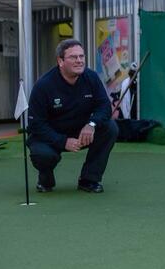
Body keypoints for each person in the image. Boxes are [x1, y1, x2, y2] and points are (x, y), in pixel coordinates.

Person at [27, 39, 118, 193]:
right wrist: (63, 141)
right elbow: (36, 125)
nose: (79, 61)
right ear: (60, 61)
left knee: (110, 128)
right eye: (73, 57)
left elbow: (104, 107)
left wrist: (92, 124)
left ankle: (89, 180)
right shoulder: (43, 86)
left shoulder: (91, 77)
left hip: (80, 131)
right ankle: (45, 178)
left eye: (81, 56)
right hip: (49, 135)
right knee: (42, 155)